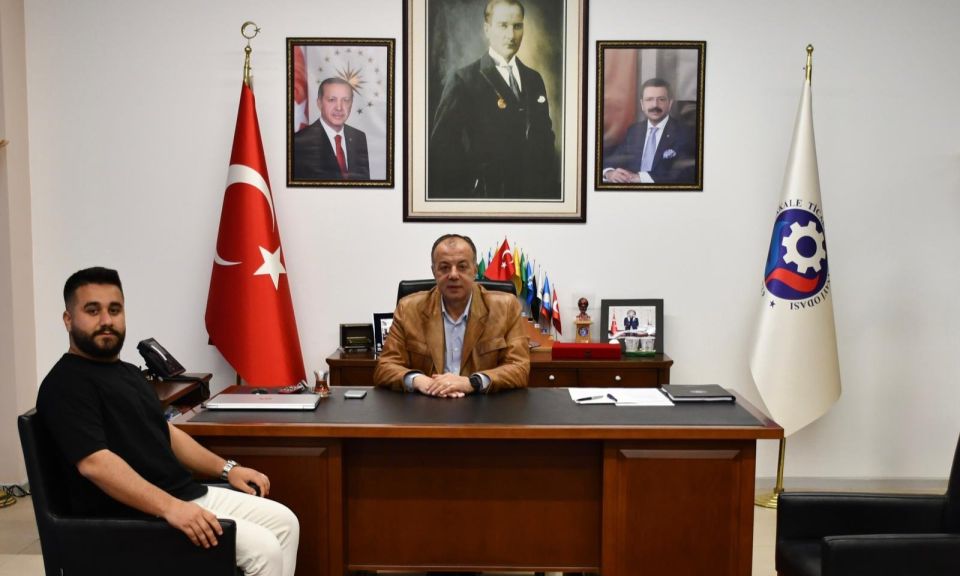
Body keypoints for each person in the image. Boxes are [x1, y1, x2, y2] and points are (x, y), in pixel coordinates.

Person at [36, 267, 299, 576]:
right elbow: (95, 464)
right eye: (92, 311)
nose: (106, 320)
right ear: (68, 319)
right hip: (133, 518)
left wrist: (228, 469)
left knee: (285, 523)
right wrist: (171, 508)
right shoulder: (64, 384)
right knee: (263, 550)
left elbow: (166, 433)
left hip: (181, 495)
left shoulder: (128, 373)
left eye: (114, 310)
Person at [428, 0, 558, 200]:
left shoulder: (534, 79)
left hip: (533, 196)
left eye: (517, 26)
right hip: (487, 196)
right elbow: (442, 150)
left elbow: (545, 139)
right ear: (487, 29)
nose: (511, 35)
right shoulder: (463, 80)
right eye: (503, 26)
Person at [374, 234, 530, 397]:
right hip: (428, 403)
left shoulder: (505, 307)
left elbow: (519, 368)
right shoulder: (408, 309)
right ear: (434, 271)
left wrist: (473, 382)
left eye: (462, 267)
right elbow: (385, 367)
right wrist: (419, 380)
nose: (453, 275)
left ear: (475, 270)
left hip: (481, 405)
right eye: (444, 267)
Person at [602, 77, 697, 184]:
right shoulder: (634, 131)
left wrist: (641, 178)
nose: (655, 105)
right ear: (642, 104)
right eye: (649, 99)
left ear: (670, 104)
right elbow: (613, 159)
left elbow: (686, 173)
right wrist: (609, 173)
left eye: (661, 99)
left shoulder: (686, 133)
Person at [292, 77, 370, 181]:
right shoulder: (299, 142)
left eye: (346, 100)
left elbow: (364, 184)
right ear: (319, 103)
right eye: (332, 100)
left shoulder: (359, 137)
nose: (339, 107)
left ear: (351, 104)